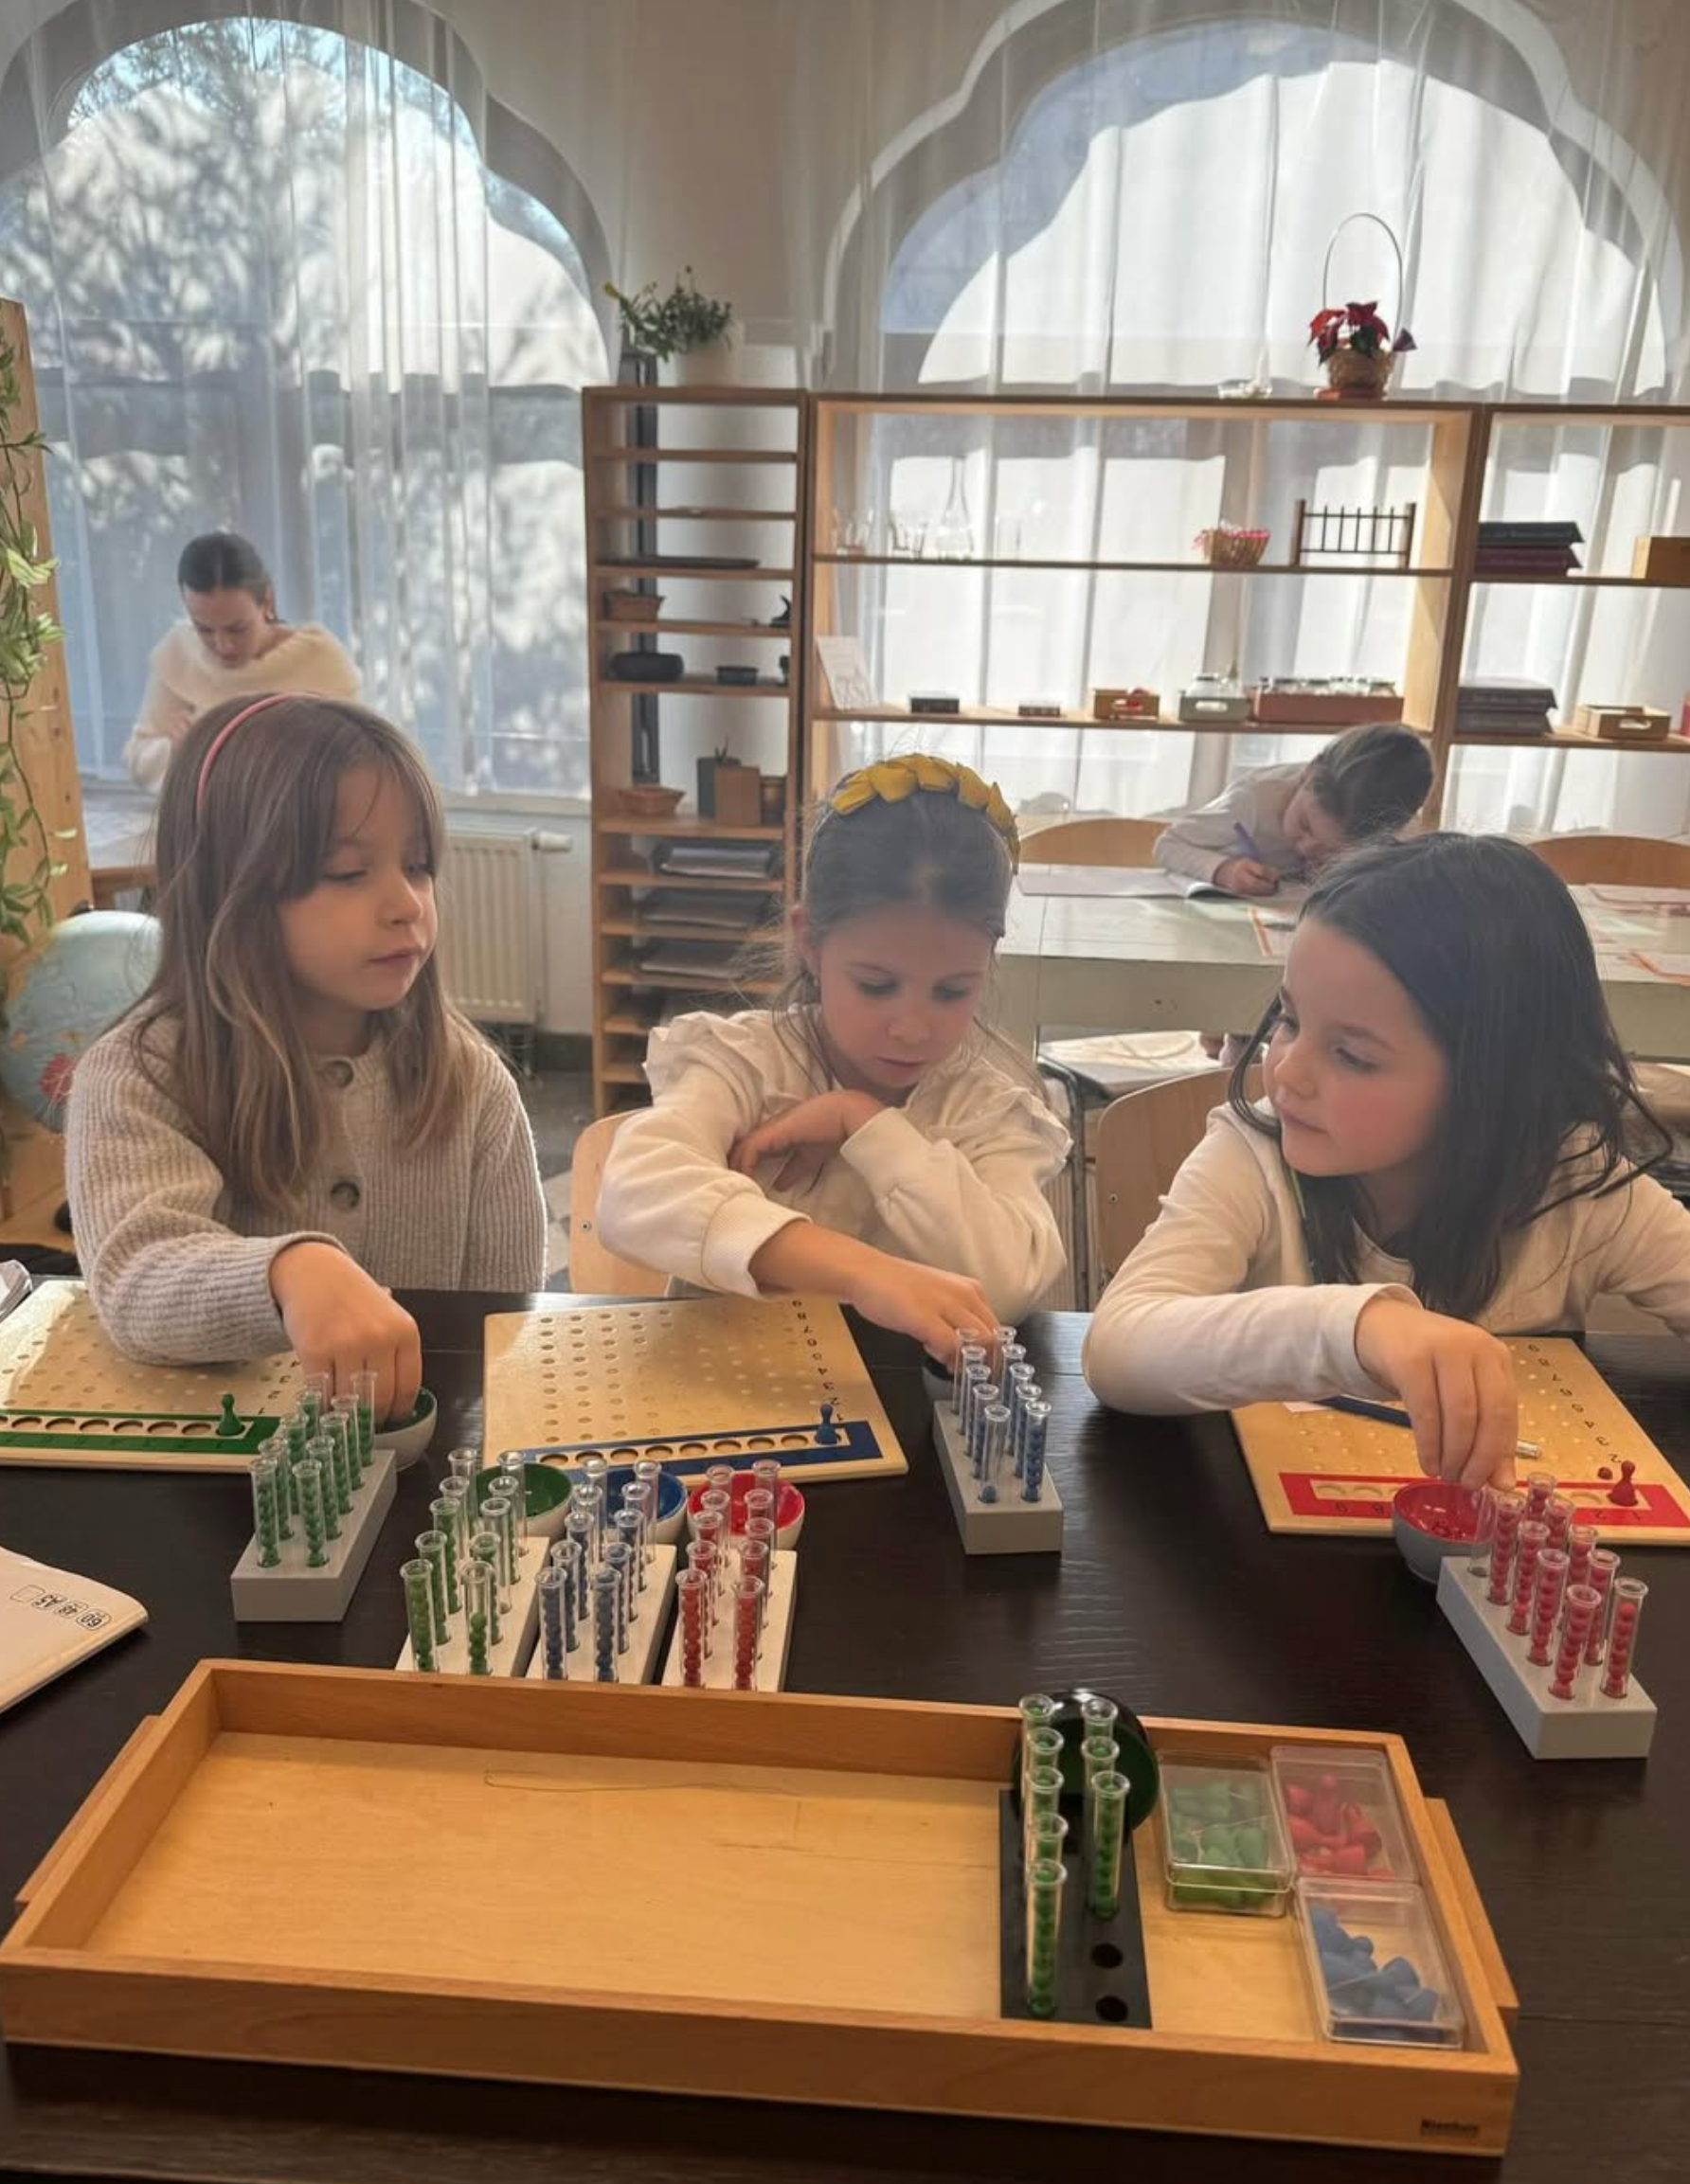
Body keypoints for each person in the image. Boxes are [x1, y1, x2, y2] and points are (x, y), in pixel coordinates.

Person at [1083, 833, 1690, 1489]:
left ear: (1496, 1084)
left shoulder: (1573, 1178)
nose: (1288, 1072)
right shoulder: (1251, 1156)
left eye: (1353, 1055)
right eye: (1288, 1019)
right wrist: (1361, 1327)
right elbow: (1118, 1348)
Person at [68, 692, 546, 1418]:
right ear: (234, 888)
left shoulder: (470, 1083)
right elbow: (137, 1273)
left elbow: (500, 1331)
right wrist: (288, 1272)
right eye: (348, 873)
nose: (407, 905)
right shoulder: (139, 1075)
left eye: (417, 867)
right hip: (217, 1481)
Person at [597, 755, 1071, 1361]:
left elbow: (1008, 1285)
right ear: (810, 943)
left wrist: (866, 1123)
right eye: (876, 985)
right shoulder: (746, 1064)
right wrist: (862, 1272)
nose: (910, 1028)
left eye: (953, 990)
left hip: (902, 1420)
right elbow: (634, 1188)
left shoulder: (986, 1108)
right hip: (722, 1398)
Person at [122, 533, 360, 793]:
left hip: (304, 817)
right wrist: (179, 751)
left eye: (237, 629)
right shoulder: (180, 653)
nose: (223, 646)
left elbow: (361, 752)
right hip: (205, 820)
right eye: (204, 629)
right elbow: (137, 761)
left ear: (267, 602)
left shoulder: (318, 657)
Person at [1154, 722, 1433, 896]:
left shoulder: (1398, 830)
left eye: (1330, 850)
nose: (1307, 848)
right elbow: (1169, 844)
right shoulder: (1252, 799)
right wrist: (1224, 871)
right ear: (1308, 773)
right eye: (1304, 826)